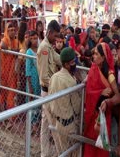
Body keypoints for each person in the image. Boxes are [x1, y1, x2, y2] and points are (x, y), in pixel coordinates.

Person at [84, 43, 120, 157]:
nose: (93, 56)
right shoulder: (93, 69)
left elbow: (118, 97)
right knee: (90, 146)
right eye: (93, 53)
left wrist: (107, 101)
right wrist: (100, 92)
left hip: (103, 117)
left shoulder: (110, 74)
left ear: (103, 57)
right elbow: (89, 91)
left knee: (101, 148)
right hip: (92, 117)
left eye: (96, 54)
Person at [48, 47, 81, 156]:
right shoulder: (70, 81)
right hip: (70, 124)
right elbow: (77, 106)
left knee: (63, 152)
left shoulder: (53, 77)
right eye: (72, 62)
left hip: (57, 122)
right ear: (66, 64)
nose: (74, 64)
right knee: (74, 152)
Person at [37, 20, 61, 157]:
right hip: (48, 90)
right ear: (50, 32)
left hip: (50, 90)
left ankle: (47, 153)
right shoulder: (44, 48)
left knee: (47, 123)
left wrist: (69, 57)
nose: (56, 38)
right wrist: (57, 84)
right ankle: (51, 152)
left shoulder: (49, 47)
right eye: (55, 35)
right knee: (49, 124)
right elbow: (44, 76)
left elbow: (58, 59)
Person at [0, 22, 18, 111]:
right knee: (3, 91)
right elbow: (2, 46)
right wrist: (12, 50)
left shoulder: (15, 41)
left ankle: (10, 111)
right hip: (4, 70)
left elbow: (17, 52)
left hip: (12, 70)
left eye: (14, 30)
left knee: (11, 91)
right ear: (7, 31)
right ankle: (2, 111)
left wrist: (13, 50)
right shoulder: (4, 40)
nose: (12, 32)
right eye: (10, 30)